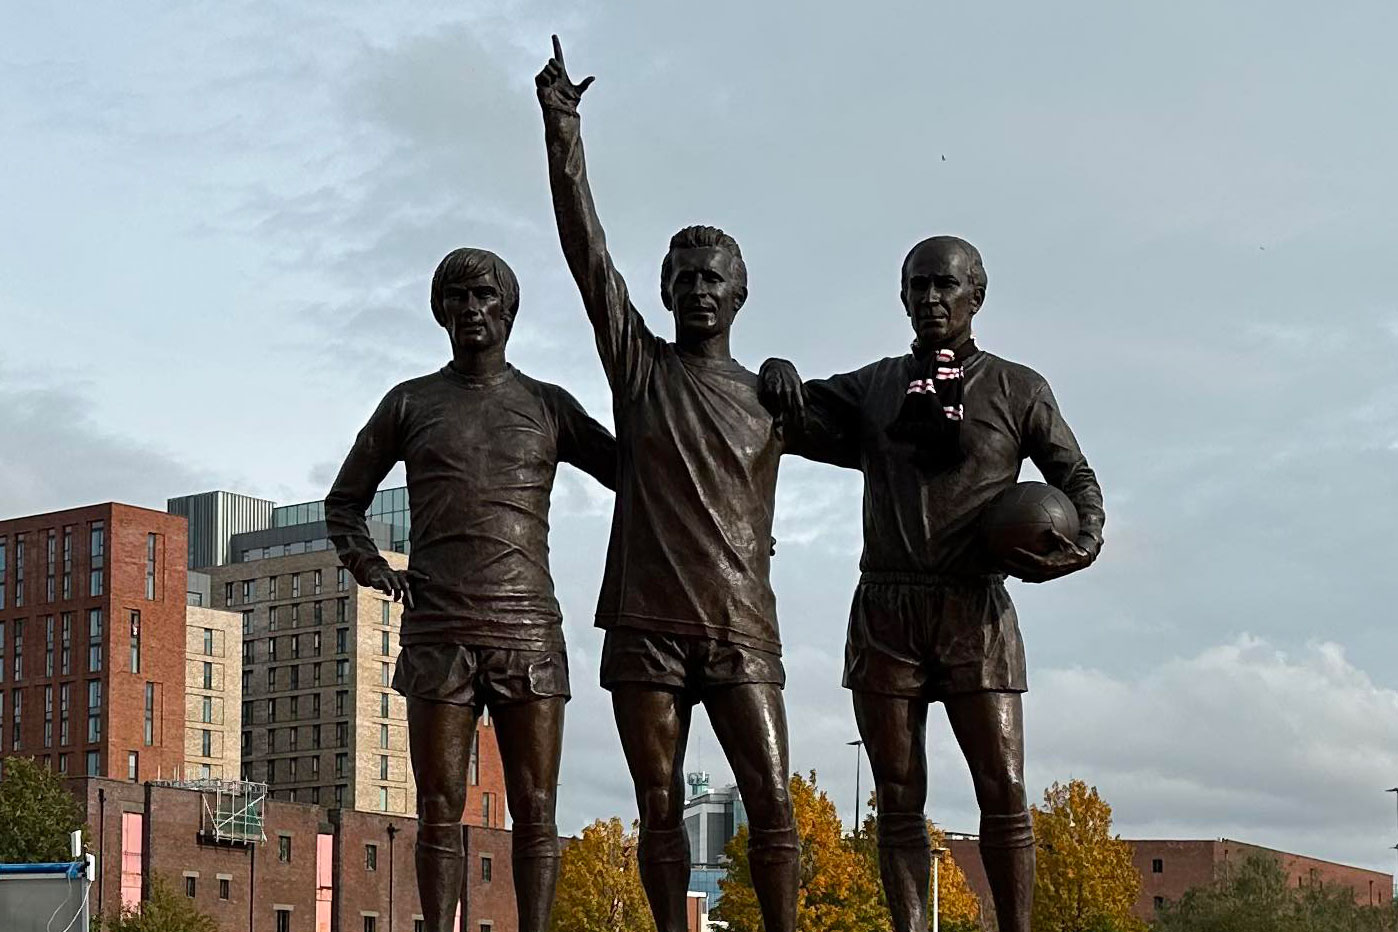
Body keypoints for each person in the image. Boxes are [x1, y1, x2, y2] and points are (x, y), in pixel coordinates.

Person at [759, 235, 1105, 932]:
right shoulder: (875, 387)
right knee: (897, 796)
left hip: (976, 610)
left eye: (945, 285)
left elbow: (1077, 478)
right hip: (887, 611)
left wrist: (1082, 545)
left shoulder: (1018, 389)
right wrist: (775, 371)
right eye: (917, 286)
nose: (930, 298)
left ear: (977, 295)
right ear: (902, 296)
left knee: (1003, 789)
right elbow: (789, 415)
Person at [535, 36, 799, 932]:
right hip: (645, 625)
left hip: (740, 626)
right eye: (682, 279)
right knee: (657, 809)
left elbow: (881, 437)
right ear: (663, 291)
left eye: (712, 279)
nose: (696, 290)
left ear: (739, 294)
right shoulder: (640, 369)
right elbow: (586, 251)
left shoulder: (771, 398)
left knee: (773, 805)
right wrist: (563, 130)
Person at [324, 247, 615, 932]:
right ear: (441, 313)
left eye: (484, 295)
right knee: (438, 807)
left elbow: (636, 475)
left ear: (508, 310)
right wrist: (370, 566)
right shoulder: (409, 403)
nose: (471, 309)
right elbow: (344, 502)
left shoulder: (547, 405)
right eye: (457, 297)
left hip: (527, 631)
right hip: (439, 633)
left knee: (536, 808)